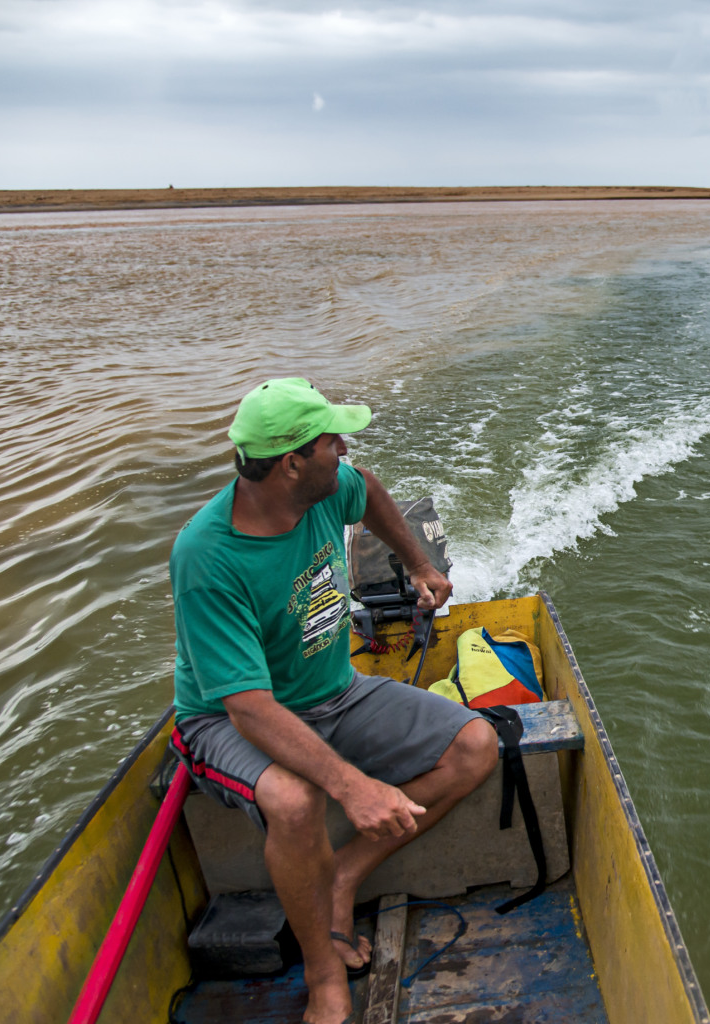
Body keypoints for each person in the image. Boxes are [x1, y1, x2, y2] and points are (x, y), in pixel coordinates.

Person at [168, 378, 496, 1024]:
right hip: (223, 719)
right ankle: (323, 974)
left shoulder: (328, 488)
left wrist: (419, 565)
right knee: (297, 800)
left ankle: (344, 875)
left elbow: (370, 488)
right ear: (291, 463)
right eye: (330, 442)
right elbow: (248, 708)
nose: (342, 449)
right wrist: (354, 787)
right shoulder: (207, 556)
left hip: (333, 691)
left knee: (476, 745)